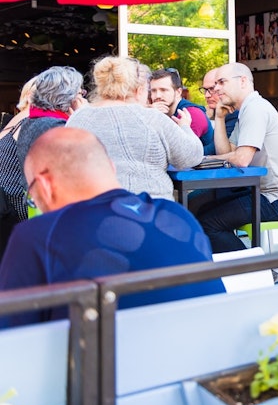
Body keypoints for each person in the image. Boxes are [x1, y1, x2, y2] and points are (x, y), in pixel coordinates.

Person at [0, 128, 223, 327]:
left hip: (106, 371)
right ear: (111, 168)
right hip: (211, 365)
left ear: (45, 185)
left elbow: (11, 337)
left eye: (32, 197)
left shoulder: (38, 235)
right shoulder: (176, 215)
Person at [193, 63, 278, 252]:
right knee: (202, 210)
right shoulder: (246, 110)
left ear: (243, 81)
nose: (217, 88)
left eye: (222, 82)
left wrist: (206, 160)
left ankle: (256, 273)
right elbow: (227, 152)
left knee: (208, 223)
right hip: (266, 194)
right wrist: (219, 119)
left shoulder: (256, 108)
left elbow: (241, 158)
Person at [66, 57, 202, 201]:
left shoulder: (79, 118)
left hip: (92, 210)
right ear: (139, 90)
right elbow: (191, 157)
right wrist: (185, 127)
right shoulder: (152, 118)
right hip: (148, 210)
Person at [0, 68, 84, 254]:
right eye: (80, 93)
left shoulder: (33, 121)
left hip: (29, 205)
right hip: (47, 212)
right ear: (68, 97)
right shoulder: (55, 127)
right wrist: (83, 117)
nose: (83, 99)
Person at [149, 68, 213, 151]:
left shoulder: (191, 114)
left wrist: (154, 119)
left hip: (208, 163)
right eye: (153, 91)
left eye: (163, 90)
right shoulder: (158, 112)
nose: (157, 95)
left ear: (178, 92)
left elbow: (180, 152)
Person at [200, 68, 237, 155]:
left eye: (212, 89)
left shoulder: (234, 113)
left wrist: (185, 153)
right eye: (205, 90)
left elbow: (215, 151)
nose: (207, 95)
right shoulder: (212, 112)